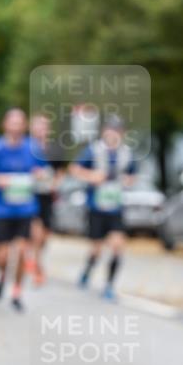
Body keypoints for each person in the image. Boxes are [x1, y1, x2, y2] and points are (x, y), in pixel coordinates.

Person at [70, 115, 138, 301]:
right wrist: (92, 176)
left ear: (122, 133)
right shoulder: (93, 151)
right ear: (104, 131)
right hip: (96, 207)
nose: (113, 134)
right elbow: (74, 169)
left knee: (117, 247)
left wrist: (128, 181)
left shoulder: (127, 153)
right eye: (110, 129)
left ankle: (109, 285)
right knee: (97, 249)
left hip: (115, 207)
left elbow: (133, 175)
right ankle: (87, 270)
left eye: (117, 130)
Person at [0, 108, 43, 312]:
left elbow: (42, 171)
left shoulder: (32, 147)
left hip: (25, 209)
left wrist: (39, 175)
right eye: (13, 122)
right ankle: (2, 274)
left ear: (24, 126)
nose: (17, 126)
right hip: (1, 210)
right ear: (5, 125)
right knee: (1, 257)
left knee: (20, 251)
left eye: (20, 122)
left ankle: (17, 292)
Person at [27, 113, 63, 286]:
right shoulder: (26, 147)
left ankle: (34, 259)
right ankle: (37, 267)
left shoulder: (55, 148)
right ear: (31, 128)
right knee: (36, 233)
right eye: (38, 125)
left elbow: (60, 171)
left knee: (45, 236)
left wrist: (55, 183)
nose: (41, 129)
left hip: (47, 196)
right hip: (30, 195)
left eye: (44, 126)